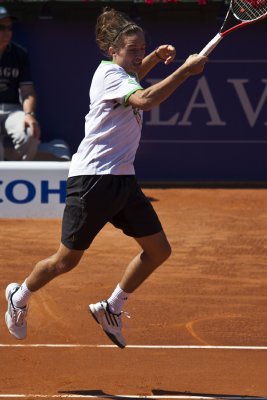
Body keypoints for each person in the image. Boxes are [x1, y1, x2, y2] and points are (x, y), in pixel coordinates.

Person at [4, 7, 208, 348]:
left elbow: (134, 79)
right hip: (92, 180)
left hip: (122, 180)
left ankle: (111, 307)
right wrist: (185, 72)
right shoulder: (111, 76)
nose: (138, 55)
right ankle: (19, 296)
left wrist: (155, 59)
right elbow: (143, 98)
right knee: (65, 261)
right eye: (133, 51)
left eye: (143, 49)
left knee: (158, 250)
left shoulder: (120, 73)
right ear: (112, 51)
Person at [0, 6, 71, 161]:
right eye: (2, 27)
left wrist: (29, 115)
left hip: (12, 110)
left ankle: (20, 177)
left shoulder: (19, 54)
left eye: (9, 28)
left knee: (30, 132)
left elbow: (27, 92)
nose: (7, 32)